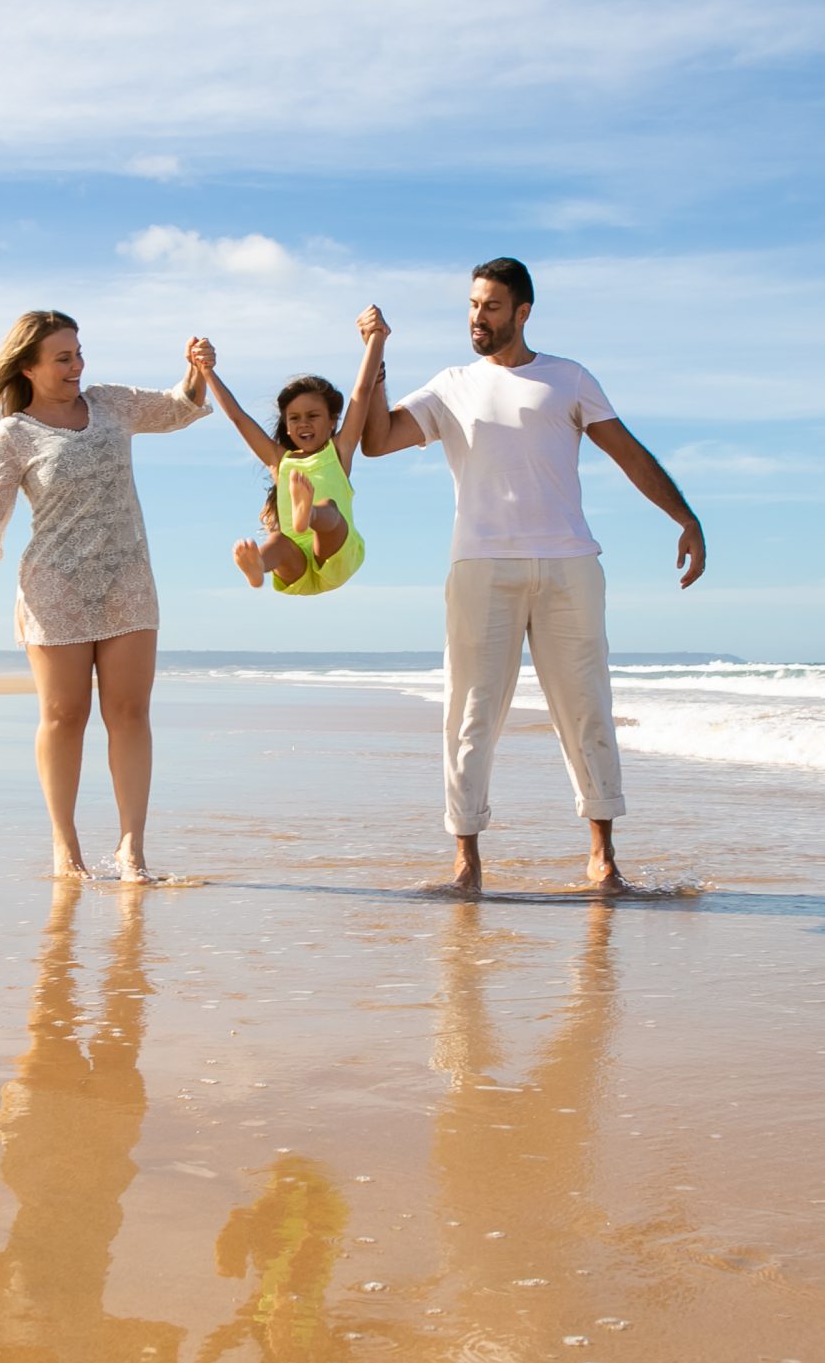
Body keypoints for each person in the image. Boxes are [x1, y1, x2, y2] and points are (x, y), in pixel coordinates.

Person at [359, 258, 705, 893]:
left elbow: (626, 451)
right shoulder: (452, 384)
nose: (477, 319)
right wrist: (376, 365)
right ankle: (467, 862)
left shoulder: (568, 378)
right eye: (471, 306)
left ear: (522, 312)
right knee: (470, 714)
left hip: (570, 564)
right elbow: (377, 441)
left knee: (586, 710)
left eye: (490, 307)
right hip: (481, 565)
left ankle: (603, 859)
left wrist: (685, 517)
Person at [0, 311, 212, 881]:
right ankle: (65, 848)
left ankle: (131, 850)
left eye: (79, 353)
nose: (77, 366)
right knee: (65, 716)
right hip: (55, 587)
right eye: (63, 358)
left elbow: (177, 408)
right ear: (30, 367)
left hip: (127, 582)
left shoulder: (111, 404)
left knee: (129, 713)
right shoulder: (15, 433)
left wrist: (196, 370)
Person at [200, 314, 389, 595]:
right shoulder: (279, 461)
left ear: (333, 421)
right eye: (295, 418)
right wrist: (206, 371)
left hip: (335, 555)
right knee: (277, 540)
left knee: (330, 509)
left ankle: (310, 512)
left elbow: (361, 390)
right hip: (296, 564)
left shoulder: (339, 450)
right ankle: (258, 566)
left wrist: (377, 338)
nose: (304, 424)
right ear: (286, 426)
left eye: (313, 416)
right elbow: (238, 417)